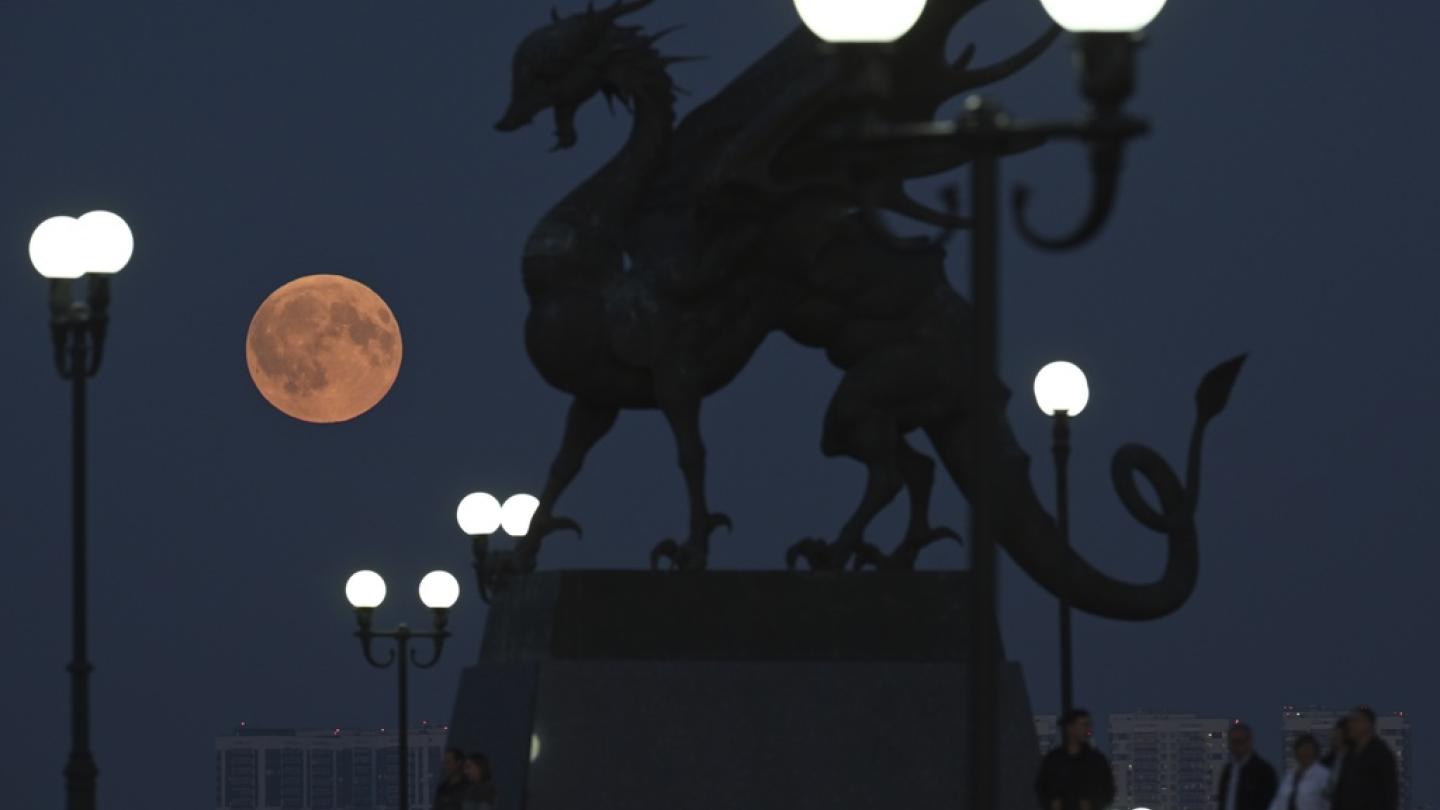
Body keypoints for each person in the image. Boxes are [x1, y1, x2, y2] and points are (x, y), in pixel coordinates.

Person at [1036, 709, 1116, 810]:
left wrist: (1093, 803)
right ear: (1070, 728)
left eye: (1089, 725)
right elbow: (1041, 787)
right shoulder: (1054, 760)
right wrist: (1052, 802)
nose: (1088, 729)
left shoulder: (1096, 761)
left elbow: (1108, 790)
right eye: (1083, 725)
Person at [1333, 706, 1398, 810]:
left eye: (1355, 721)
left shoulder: (1381, 754)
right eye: (1350, 722)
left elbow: (1390, 792)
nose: (1350, 725)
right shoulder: (1349, 754)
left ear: (1368, 724)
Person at [1218, 722, 1279, 810]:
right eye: (1233, 742)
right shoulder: (1227, 771)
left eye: (1240, 741)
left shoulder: (1264, 771)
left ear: (1249, 742)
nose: (1236, 746)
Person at [1269, 734, 1330, 810]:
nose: (1305, 752)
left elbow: (1329, 804)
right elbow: (1277, 802)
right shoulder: (1290, 775)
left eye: (1308, 748)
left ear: (1315, 752)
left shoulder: (1324, 775)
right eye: (1302, 748)